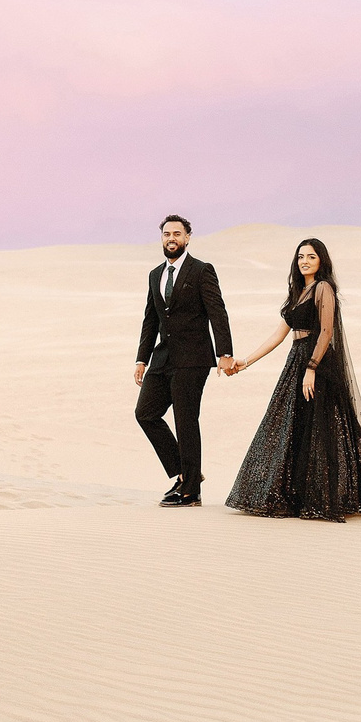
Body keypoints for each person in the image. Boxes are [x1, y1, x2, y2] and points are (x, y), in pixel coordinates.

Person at [225, 237, 361, 522]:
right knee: (294, 428)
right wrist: (245, 362)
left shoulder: (323, 288)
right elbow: (278, 336)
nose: (304, 261)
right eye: (301, 257)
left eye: (311, 257)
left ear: (321, 261)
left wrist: (312, 367)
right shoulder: (298, 292)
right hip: (296, 359)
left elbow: (326, 331)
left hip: (317, 363)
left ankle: (327, 498)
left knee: (321, 429)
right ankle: (298, 497)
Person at [133, 214, 237, 507]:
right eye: (167, 234)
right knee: (146, 413)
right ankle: (184, 473)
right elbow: (150, 319)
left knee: (185, 420)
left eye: (177, 234)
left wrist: (224, 353)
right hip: (162, 358)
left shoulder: (201, 270)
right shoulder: (155, 274)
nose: (171, 239)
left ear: (187, 237)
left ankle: (191, 491)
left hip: (193, 358)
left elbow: (218, 312)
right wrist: (142, 359)